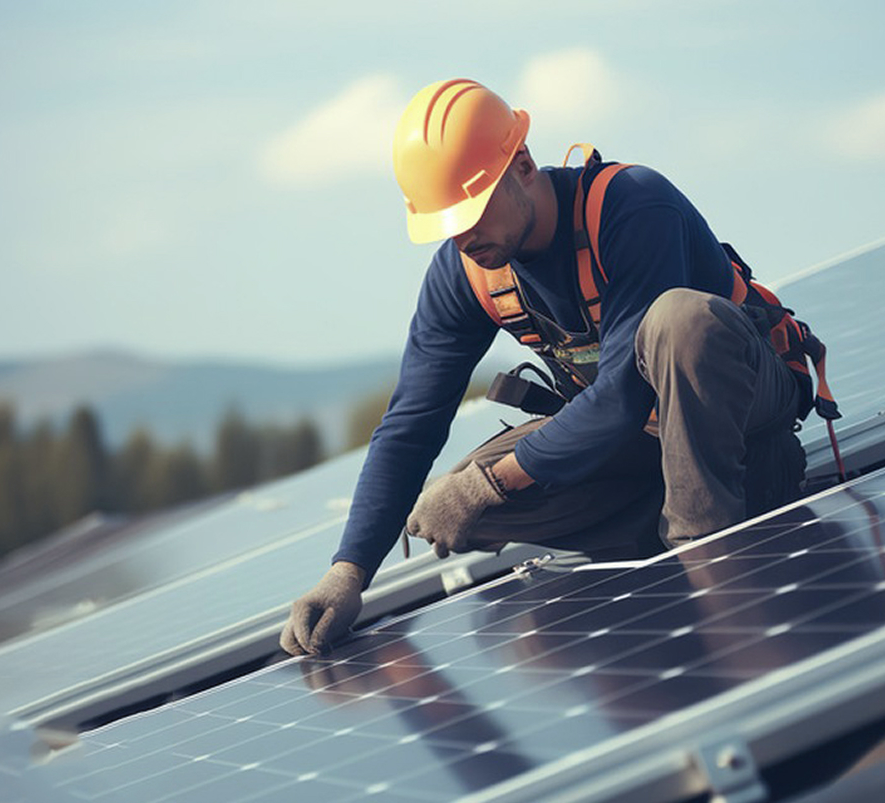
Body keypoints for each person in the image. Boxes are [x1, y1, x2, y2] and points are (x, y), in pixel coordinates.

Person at [279, 78, 806, 656]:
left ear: (524, 165)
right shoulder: (469, 271)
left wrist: (496, 482)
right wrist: (348, 571)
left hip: (744, 400)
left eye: (472, 211)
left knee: (680, 322)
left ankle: (703, 543)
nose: (462, 235)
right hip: (643, 433)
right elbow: (409, 427)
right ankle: (650, 519)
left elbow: (623, 395)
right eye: (446, 223)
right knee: (454, 504)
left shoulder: (632, 205)